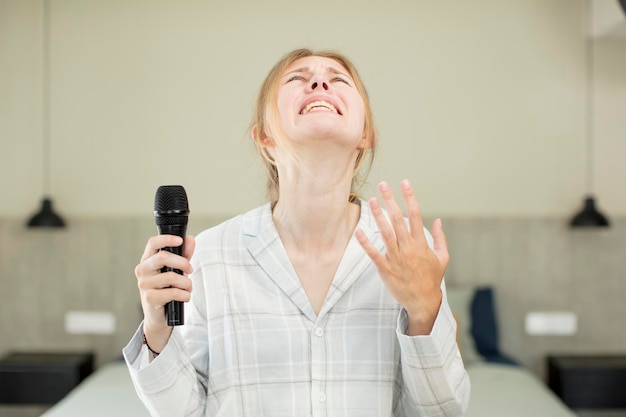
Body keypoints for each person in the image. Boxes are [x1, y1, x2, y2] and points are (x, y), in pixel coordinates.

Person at [123, 48, 471, 417]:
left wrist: (423, 312)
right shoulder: (210, 256)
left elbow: (443, 413)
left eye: (338, 79)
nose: (320, 82)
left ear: (365, 134)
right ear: (265, 137)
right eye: (297, 79)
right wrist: (156, 331)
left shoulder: (411, 255)